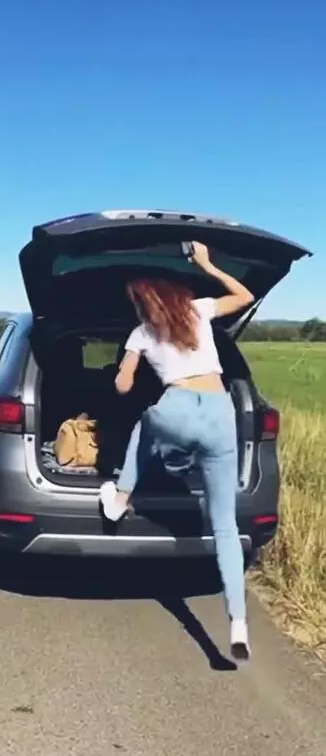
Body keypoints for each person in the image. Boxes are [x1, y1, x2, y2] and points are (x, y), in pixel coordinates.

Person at [99, 242, 255, 661]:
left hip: (177, 409)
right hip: (221, 413)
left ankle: (119, 498)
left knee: (144, 426)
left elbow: (124, 386)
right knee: (224, 525)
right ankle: (237, 623)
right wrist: (207, 264)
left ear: (141, 303)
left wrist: (121, 374)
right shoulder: (199, 310)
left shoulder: (141, 334)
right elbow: (245, 298)